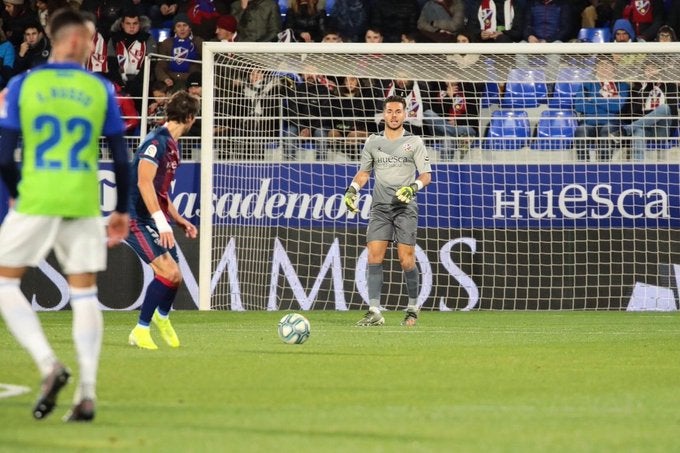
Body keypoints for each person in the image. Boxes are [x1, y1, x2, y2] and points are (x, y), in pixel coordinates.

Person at [0, 8, 130, 422]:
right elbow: (121, 158)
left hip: (38, 195)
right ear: (73, 41)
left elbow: (3, 153)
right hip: (82, 199)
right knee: (86, 294)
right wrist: (122, 210)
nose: (93, 46)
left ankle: (48, 364)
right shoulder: (100, 88)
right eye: (91, 39)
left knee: (4, 284)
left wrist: (18, 193)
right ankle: (87, 394)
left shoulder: (23, 83)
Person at [344, 95, 432, 327]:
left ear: (405, 114)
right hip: (380, 208)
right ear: (384, 114)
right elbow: (364, 173)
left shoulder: (414, 142)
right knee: (374, 256)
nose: (394, 115)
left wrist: (413, 187)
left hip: (404, 208)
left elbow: (426, 175)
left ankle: (413, 307)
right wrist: (352, 190)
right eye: (390, 111)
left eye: (398, 111)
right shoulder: (373, 141)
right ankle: (374, 310)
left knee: (406, 260)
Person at [127, 90, 200, 350]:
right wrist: (161, 222)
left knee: (175, 275)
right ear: (190, 117)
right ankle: (141, 329)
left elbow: (160, 192)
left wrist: (179, 219)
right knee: (167, 273)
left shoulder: (172, 145)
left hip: (152, 216)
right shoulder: (156, 142)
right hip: (135, 217)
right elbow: (143, 182)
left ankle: (162, 317)